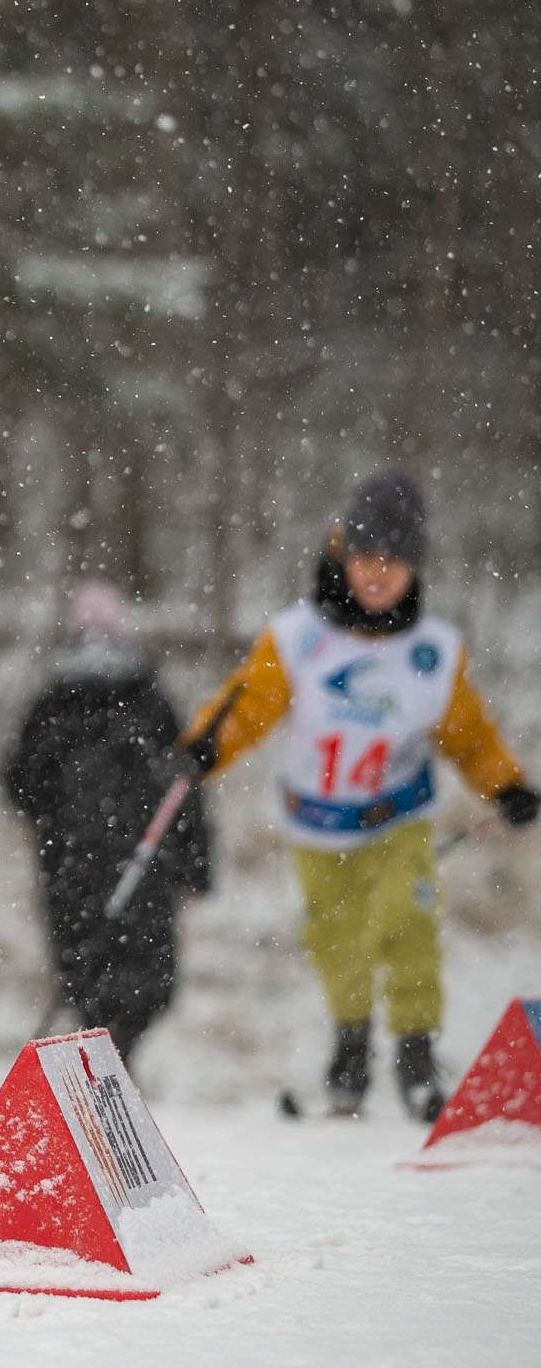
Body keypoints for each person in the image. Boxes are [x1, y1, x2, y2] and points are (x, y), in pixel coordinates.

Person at [182, 472, 538, 1120]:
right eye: (367, 559)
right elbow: (249, 705)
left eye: (395, 563)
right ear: (343, 556)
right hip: (316, 821)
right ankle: (350, 1050)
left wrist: (504, 784)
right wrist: (205, 747)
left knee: (407, 921)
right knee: (336, 940)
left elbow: (469, 735)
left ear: (415, 568)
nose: (379, 574)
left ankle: (416, 1057)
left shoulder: (433, 651)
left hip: (397, 815)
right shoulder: (297, 639)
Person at [2, 583, 211, 1059]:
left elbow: (18, 783)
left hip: (71, 860)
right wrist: (195, 864)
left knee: (85, 971)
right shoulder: (149, 701)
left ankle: (104, 1063)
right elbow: (186, 789)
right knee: (144, 975)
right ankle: (116, 1062)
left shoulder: (53, 702)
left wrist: (57, 813)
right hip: (145, 861)